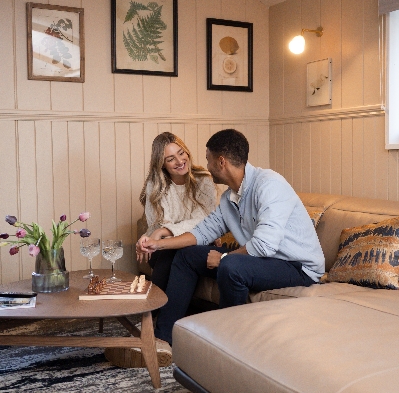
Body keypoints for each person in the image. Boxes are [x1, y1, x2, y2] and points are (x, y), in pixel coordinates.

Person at [139, 129, 325, 345]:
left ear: (221, 162)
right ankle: (164, 338)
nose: (206, 167)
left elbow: (264, 244)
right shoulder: (229, 198)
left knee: (232, 266)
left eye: (208, 160)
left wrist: (224, 258)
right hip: (263, 259)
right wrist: (158, 244)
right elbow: (202, 232)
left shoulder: (270, 185)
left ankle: (227, 343)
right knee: (187, 255)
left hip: (297, 267)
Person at [136, 132, 218, 292]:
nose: (180, 161)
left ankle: (150, 313)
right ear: (161, 164)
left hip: (194, 243)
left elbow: (202, 221)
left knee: (180, 252)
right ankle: (153, 312)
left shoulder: (204, 180)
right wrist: (155, 234)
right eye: (170, 159)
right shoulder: (155, 185)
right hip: (161, 249)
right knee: (170, 253)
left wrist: (162, 231)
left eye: (181, 153)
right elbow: (159, 223)